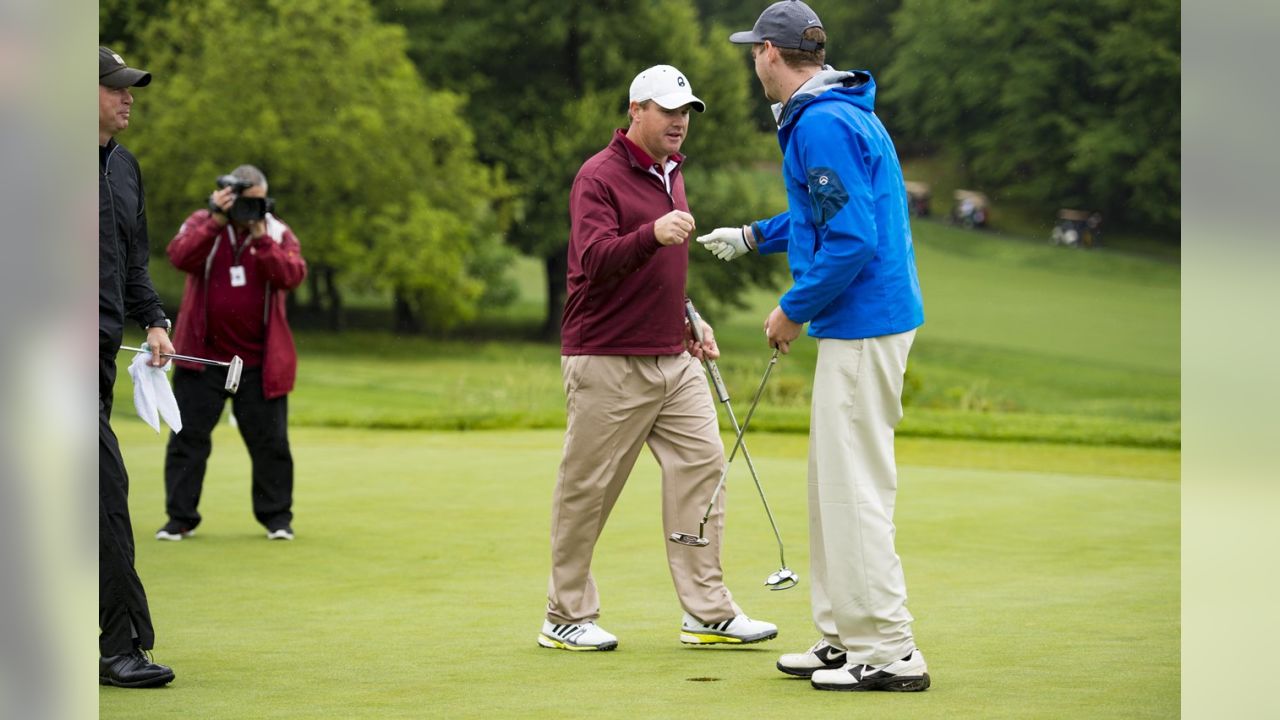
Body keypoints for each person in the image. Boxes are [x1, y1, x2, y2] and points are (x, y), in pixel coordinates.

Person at [698, 1, 930, 692]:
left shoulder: (822, 123)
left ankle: (888, 650)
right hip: (865, 321)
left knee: (853, 488)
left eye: (753, 51)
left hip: (863, 324)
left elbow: (852, 240)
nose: (752, 62)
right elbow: (818, 217)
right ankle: (841, 635)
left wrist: (792, 309)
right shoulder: (831, 112)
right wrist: (749, 236)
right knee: (831, 484)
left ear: (770, 53)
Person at [538, 65, 777, 652]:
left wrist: (688, 315)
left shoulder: (671, 174)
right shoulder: (598, 176)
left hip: (674, 357)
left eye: (686, 112)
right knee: (589, 488)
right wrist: (653, 233)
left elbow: (659, 270)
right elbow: (595, 260)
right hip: (607, 358)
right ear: (635, 110)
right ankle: (564, 615)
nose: (679, 122)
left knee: (704, 471)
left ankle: (707, 612)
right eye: (667, 110)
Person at [157, 165, 306, 542]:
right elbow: (179, 256)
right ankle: (180, 518)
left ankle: (276, 519)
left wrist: (261, 241)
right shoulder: (202, 222)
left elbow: (292, 276)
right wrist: (214, 218)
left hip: (259, 363)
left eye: (259, 203)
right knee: (187, 439)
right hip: (203, 359)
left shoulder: (276, 231)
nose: (253, 210)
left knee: (270, 444)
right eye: (245, 202)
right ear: (228, 197)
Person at [98, 45, 177, 688]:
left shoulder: (124, 169)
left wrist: (154, 320)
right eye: (115, 87)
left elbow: (133, 261)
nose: (128, 97)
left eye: (130, 88)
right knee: (103, 495)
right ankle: (117, 646)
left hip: (96, 357)